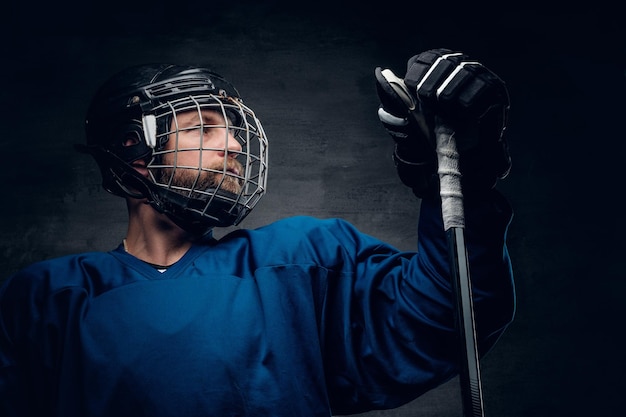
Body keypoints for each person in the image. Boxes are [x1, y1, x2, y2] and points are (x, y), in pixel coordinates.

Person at [0, 49, 515, 417]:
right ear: (134, 154)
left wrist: (458, 176)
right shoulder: (49, 299)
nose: (231, 146)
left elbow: (449, 316)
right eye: (202, 127)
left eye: (230, 128)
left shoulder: (301, 260)